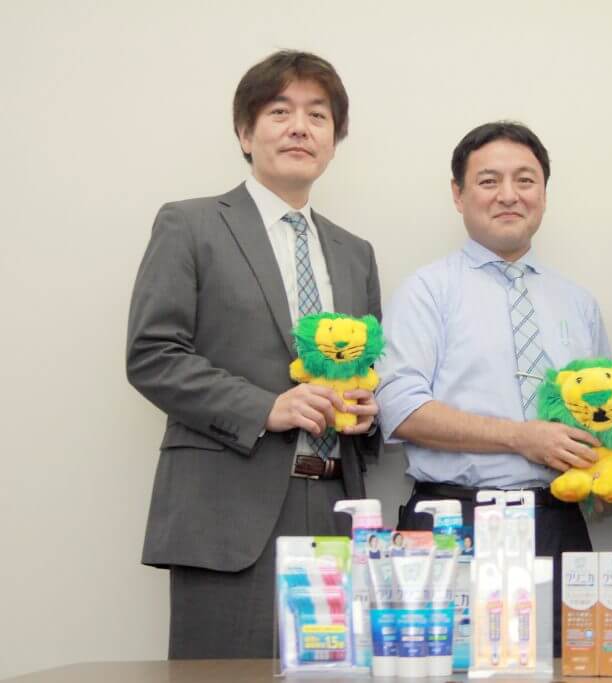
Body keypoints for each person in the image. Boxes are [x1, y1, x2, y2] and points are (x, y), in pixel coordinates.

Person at [126, 50, 381, 659]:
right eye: (279, 112)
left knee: (332, 672)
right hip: (226, 509)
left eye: (317, 115)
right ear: (245, 133)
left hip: (334, 506)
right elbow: (152, 354)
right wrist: (267, 407)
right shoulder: (189, 225)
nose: (300, 128)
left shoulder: (356, 253)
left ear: (334, 141)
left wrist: (368, 414)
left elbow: (367, 370)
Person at [375, 121, 612, 650]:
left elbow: (605, 417)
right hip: (454, 525)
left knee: (566, 670)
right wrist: (521, 437)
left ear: (544, 193)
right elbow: (400, 410)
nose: (509, 195)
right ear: (458, 195)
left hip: (558, 525)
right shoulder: (426, 291)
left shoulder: (578, 303)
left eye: (525, 180)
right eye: (489, 181)